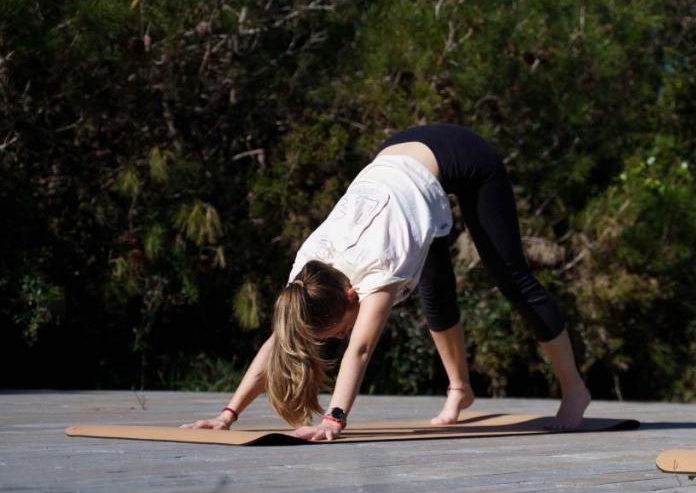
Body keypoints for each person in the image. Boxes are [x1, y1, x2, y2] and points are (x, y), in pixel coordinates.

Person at [181, 124, 591, 441]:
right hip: (397, 168)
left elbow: (360, 349)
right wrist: (227, 414)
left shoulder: (378, 268)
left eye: (339, 328)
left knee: (511, 277)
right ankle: (459, 388)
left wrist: (333, 419)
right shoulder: (306, 274)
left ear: (350, 294)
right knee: (435, 292)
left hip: (462, 157)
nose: (342, 337)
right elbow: (280, 341)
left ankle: (574, 390)